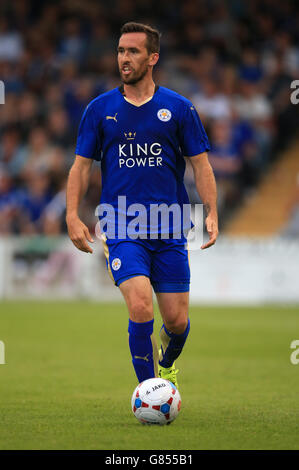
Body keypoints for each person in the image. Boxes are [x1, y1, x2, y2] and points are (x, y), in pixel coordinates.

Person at [66, 22, 218, 388]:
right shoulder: (99, 109)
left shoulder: (179, 109)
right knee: (139, 306)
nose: (124, 58)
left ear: (153, 58)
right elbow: (81, 167)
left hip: (169, 226)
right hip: (122, 226)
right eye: (120, 51)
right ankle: (149, 391)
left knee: (177, 322)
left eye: (132, 51)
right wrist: (72, 214)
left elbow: (201, 165)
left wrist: (211, 210)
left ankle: (166, 361)